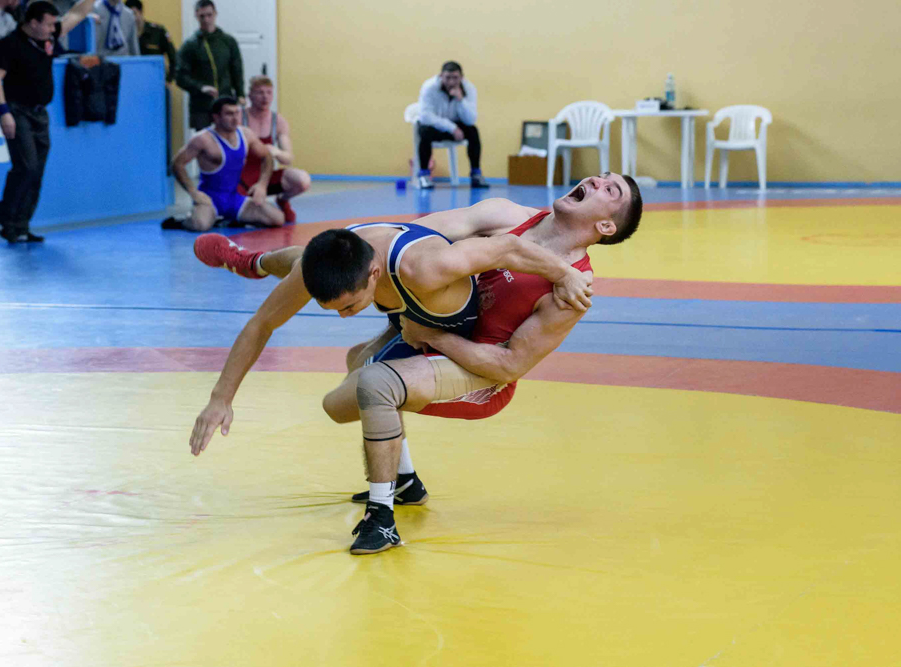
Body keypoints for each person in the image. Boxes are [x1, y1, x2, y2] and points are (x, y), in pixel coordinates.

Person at [188, 173, 641, 554]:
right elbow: (423, 232)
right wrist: (220, 398)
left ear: (605, 225)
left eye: (611, 189)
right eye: (601, 176)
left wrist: (435, 336)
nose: (597, 179)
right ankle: (254, 261)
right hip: (427, 310)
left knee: (372, 385)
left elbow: (508, 366)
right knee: (337, 318)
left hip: (480, 371)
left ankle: (382, 518)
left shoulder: (572, 291)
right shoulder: (502, 215)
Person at [0, 0, 96, 244]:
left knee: (36, 171)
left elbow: (78, 13)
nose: (53, 30)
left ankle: (20, 227)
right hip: (17, 111)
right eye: (48, 25)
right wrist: (3, 112)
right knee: (26, 165)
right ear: (33, 23)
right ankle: (4, 216)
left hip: (40, 114)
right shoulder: (10, 44)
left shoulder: (49, 35)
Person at [163, 97, 283, 231]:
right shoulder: (203, 139)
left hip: (234, 198)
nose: (235, 118)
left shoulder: (246, 134)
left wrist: (262, 185)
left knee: (277, 219)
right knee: (200, 225)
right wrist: (193, 192)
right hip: (209, 199)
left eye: (237, 113)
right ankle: (182, 221)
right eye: (229, 114)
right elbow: (177, 164)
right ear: (216, 117)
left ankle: (230, 219)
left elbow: (267, 156)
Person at [238, 75, 310, 224]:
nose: (265, 97)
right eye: (260, 92)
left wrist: (275, 151)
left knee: (302, 180)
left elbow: (288, 158)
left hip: (266, 176)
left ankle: (282, 200)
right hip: (241, 178)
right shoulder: (239, 117)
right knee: (250, 215)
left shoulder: (278, 121)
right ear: (250, 95)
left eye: (269, 92)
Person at [416, 61, 487, 190]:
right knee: (424, 131)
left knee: (473, 131)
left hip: (457, 126)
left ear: (462, 77)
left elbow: (470, 120)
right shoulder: (429, 87)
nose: (451, 82)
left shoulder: (469, 89)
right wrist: (452, 128)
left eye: (455, 78)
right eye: (447, 78)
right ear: (441, 76)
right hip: (435, 125)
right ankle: (424, 175)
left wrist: (461, 99)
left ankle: (476, 174)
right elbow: (426, 116)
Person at [175, 0, 243, 132]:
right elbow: (180, 77)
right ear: (196, 16)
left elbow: (237, 70)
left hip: (225, 102)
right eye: (202, 16)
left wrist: (240, 94)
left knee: (228, 139)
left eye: (209, 15)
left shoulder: (228, 42)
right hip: (201, 106)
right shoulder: (190, 45)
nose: (206, 20)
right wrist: (201, 87)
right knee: (204, 142)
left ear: (215, 14)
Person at [125, 0, 175, 81]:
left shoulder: (158, 32)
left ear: (141, 12)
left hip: (155, 80)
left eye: (134, 13)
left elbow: (174, 58)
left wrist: (169, 80)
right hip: (132, 81)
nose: (132, 18)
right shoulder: (124, 35)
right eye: (128, 15)